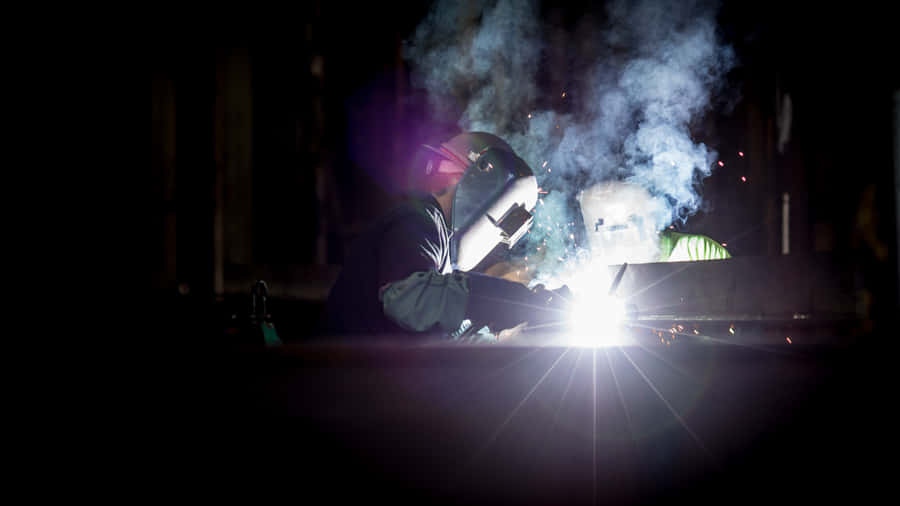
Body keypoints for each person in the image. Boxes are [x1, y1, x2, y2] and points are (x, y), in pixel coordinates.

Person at [324, 132, 569, 341]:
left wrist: (515, 330)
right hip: (340, 384)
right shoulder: (418, 218)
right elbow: (410, 299)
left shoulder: (440, 253)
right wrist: (513, 299)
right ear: (482, 182)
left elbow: (447, 334)